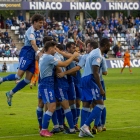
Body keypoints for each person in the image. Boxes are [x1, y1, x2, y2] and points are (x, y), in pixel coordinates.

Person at [0, 14, 44, 106]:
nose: (41, 24)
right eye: (40, 22)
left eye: (42, 22)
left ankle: (10, 93)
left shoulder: (38, 31)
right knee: (18, 77)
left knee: (27, 80)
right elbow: (33, 44)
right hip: (26, 54)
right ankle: (1, 79)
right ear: (35, 22)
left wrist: (37, 54)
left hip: (32, 56)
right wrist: (39, 53)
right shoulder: (30, 31)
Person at [39, 41, 79, 137]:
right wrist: (73, 56)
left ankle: (54, 127)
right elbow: (63, 66)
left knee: (53, 107)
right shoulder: (49, 57)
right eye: (54, 48)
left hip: (49, 85)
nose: (55, 50)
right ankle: (45, 129)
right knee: (55, 107)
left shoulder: (43, 57)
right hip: (48, 85)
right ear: (50, 49)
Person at [79, 38, 111, 138]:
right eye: (109, 46)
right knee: (100, 105)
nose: (109, 48)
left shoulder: (93, 51)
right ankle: (85, 126)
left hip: (84, 78)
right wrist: (101, 88)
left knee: (85, 105)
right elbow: (95, 73)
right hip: (90, 79)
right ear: (105, 46)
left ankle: (81, 132)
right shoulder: (97, 55)